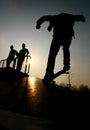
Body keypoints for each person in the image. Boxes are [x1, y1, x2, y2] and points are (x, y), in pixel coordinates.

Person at [36, 12, 86, 82]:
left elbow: (43, 17)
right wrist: (82, 18)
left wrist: (38, 24)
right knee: (65, 49)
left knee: (52, 55)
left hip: (58, 37)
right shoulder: (68, 17)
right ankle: (66, 64)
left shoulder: (54, 17)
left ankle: (49, 72)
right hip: (67, 37)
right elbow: (77, 17)